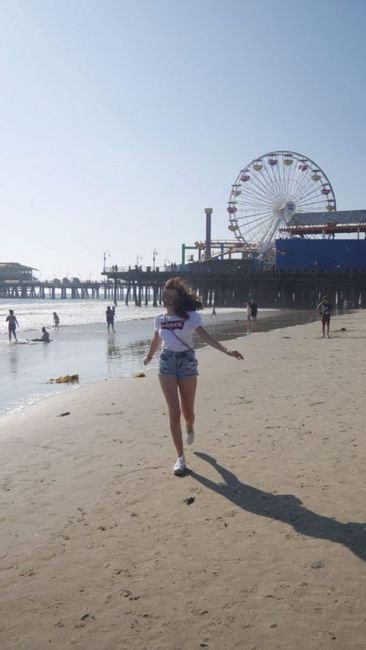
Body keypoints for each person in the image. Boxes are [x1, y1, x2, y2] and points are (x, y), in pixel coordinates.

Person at [144, 277, 244, 476]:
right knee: (174, 412)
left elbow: (205, 336)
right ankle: (180, 458)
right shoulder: (159, 319)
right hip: (166, 363)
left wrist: (227, 350)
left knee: (187, 413)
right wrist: (149, 356)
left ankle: (190, 426)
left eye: (172, 296)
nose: (167, 299)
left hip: (187, 363)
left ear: (178, 298)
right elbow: (156, 340)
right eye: (165, 295)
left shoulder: (191, 317)